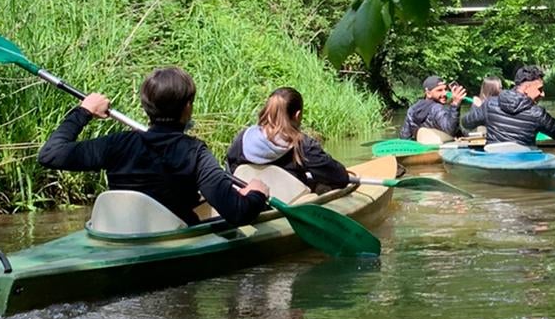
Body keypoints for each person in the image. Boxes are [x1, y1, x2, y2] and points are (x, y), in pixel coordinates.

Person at [37, 66, 270, 226]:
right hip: (166, 237)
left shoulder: (117, 144)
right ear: (187, 107)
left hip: (119, 233)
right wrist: (257, 194)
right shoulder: (195, 152)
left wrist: (84, 111)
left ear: (145, 106)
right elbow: (238, 213)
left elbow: (50, 154)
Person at [226, 87, 357, 193]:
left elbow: (230, 173)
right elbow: (340, 177)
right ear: (297, 115)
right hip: (288, 207)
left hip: (250, 205)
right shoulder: (303, 145)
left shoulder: (242, 138)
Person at [480, 65, 555, 148]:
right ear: (526, 89)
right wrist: (554, 124)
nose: (543, 94)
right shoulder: (537, 113)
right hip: (524, 161)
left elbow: (467, 122)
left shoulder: (489, 104)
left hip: (493, 158)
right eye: (540, 89)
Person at [400, 74, 466, 141]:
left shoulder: (412, 109)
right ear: (428, 93)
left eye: (446, 89)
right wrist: (455, 104)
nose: (444, 93)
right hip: (440, 148)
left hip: (423, 147)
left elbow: (404, 136)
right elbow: (451, 130)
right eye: (439, 90)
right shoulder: (437, 108)